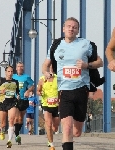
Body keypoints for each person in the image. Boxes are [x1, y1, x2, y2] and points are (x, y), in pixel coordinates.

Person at [42, 17, 103, 150]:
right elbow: (45, 65)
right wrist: (46, 73)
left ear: (77, 30)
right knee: (67, 128)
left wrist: (87, 65)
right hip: (64, 90)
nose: (71, 28)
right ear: (63, 29)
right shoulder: (56, 45)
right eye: (68, 26)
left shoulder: (86, 44)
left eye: (74, 27)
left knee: (77, 132)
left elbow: (100, 62)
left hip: (81, 89)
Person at [0, 66, 20, 148]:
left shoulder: (15, 82)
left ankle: (9, 141)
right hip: (3, 103)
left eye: (11, 72)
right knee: (3, 124)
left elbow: (18, 92)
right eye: (9, 71)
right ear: (5, 72)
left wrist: (18, 96)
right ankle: (2, 131)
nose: (10, 73)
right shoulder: (0, 81)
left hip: (12, 102)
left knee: (11, 120)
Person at [12, 61, 34, 145]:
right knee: (16, 118)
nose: (20, 68)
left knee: (21, 119)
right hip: (15, 99)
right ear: (16, 68)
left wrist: (28, 91)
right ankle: (17, 135)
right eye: (18, 66)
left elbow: (32, 85)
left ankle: (17, 133)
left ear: (23, 68)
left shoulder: (26, 77)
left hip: (24, 99)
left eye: (21, 66)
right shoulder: (13, 77)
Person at [37, 74, 60, 150]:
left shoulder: (58, 78)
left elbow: (62, 90)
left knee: (55, 128)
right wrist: (40, 93)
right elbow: (38, 91)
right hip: (46, 104)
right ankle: (51, 144)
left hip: (56, 105)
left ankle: (50, 136)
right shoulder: (42, 79)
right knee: (48, 123)